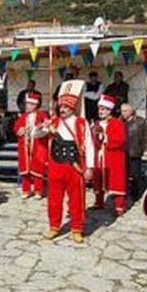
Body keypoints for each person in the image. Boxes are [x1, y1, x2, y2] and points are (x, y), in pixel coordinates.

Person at [41, 81, 95, 243]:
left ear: (72, 108)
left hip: (75, 166)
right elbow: (37, 134)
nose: (62, 109)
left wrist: (90, 167)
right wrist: (42, 126)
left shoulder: (81, 123)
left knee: (77, 198)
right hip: (56, 164)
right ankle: (54, 226)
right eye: (61, 106)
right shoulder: (53, 122)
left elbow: (90, 145)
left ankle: (76, 228)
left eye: (65, 107)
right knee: (54, 198)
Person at [91, 95, 127, 215]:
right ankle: (99, 202)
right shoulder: (96, 124)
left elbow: (120, 140)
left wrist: (105, 139)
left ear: (109, 110)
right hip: (99, 156)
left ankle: (119, 206)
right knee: (98, 178)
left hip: (113, 156)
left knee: (115, 180)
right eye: (99, 109)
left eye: (103, 109)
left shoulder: (117, 123)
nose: (101, 111)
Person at [14, 91, 49, 199]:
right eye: (27, 104)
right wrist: (19, 130)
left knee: (37, 168)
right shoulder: (22, 117)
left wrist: (42, 126)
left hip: (38, 146)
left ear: (35, 105)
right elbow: (16, 128)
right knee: (25, 169)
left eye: (29, 104)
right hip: (24, 147)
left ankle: (38, 190)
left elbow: (47, 127)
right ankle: (26, 190)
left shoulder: (42, 115)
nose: (27, 106)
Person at [120, 103, 147, 201]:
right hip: (122, 151)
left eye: (125, 111)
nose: (123, 113)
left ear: (131, 111)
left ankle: (136, 194)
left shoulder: (140, 122)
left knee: (135, 175)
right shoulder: (120, 121)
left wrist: (146, 149)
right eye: (122, 111)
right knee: (123, 174)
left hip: (135, 151)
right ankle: (123, 193)